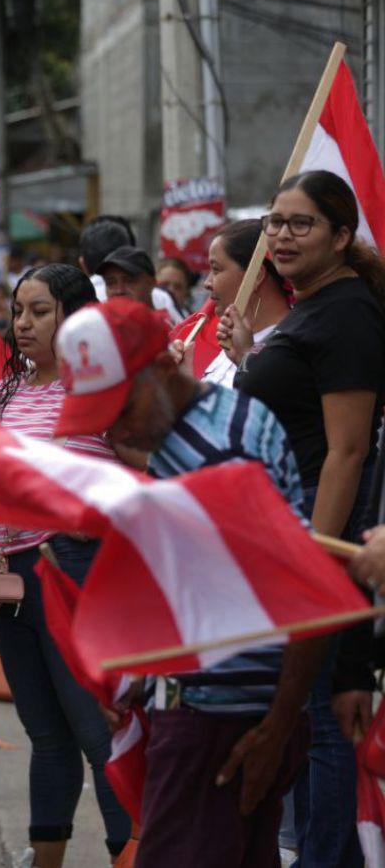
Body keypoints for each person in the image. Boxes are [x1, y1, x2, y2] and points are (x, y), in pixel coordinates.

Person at [53, 297, 326, 868]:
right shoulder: (201, 425)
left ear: (160, 368)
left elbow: (305, 588)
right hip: (214, 710)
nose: (115, 427)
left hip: (221, 720)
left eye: (120, 406)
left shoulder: (221, 451)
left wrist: (276, 727)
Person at [230, 170, 385, 867]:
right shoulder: (311, 307)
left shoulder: (347, 313)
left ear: (342, 236)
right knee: (298, 719)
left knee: (324, 725)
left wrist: (314, 563)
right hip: (279, 541)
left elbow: (346, 455)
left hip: (318, 547)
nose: (282, 235)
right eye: (274, 221)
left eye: (301, 223)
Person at [0, 263, 132, 867]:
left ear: (72, 317)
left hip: (73, 571)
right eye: (19, 310)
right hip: (10, 579)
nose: (24, 323)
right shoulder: (8, 391)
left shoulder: (97, 392)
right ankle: (45, 858)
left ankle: (129, 855)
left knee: (99, 737)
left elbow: (134, 472)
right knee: (46, 737)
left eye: (40, 311)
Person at [191, 219, 290, 387]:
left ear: (256, 276)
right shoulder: (233, 344)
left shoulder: (292, 345)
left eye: (216, 269)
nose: (207, 282)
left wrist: (246, 359)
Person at [77, 215, 186, 322]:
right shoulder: (84, 310)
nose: (119, 290)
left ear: (152, 282)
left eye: (129, 281)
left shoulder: (166, 319)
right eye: (110, 282)